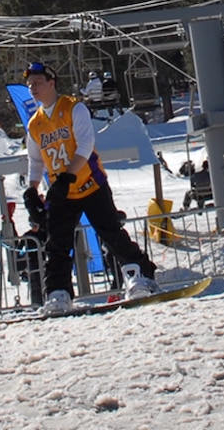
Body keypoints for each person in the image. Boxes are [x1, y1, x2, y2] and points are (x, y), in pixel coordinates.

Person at [22, 60, 156, 315]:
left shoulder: (73, 107)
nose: (33, 88)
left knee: (111, 233)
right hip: (62, 191)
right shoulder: (35, 124)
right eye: (29, 85)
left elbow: (85, 145)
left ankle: (141, 276)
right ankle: (58, 293)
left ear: (52, 82)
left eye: (37, 83)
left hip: (90, 183)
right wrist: (31, 189)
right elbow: (36, 160)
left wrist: (66, 177)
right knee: (57, 244)